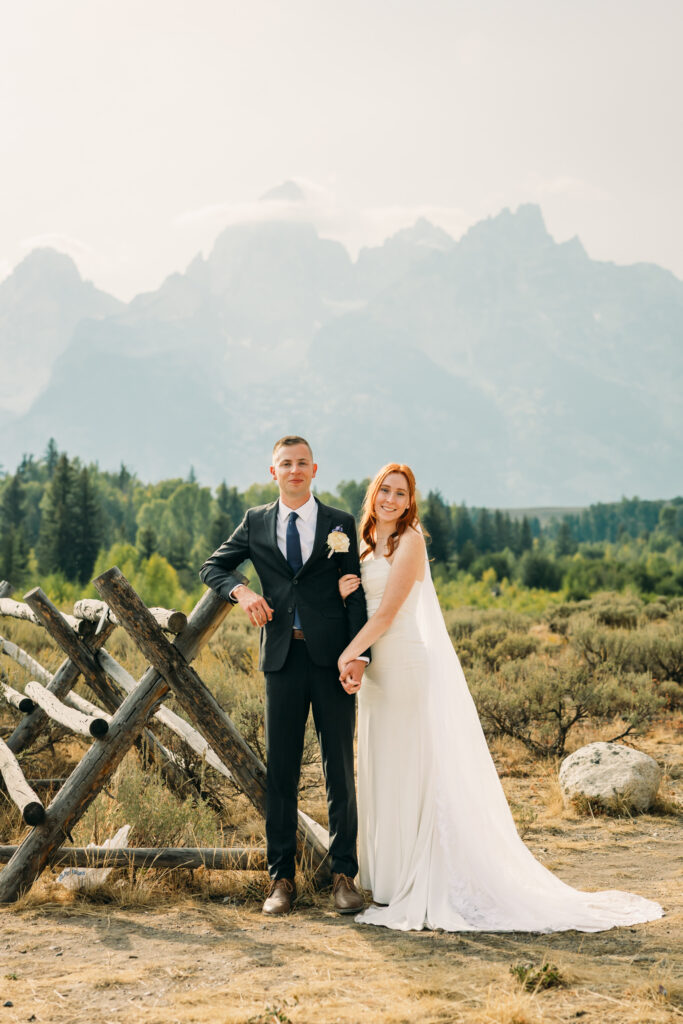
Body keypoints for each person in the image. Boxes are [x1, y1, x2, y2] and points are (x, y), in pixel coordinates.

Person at [336, 463, 663, 932]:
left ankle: (418, 874)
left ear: (410, 503)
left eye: (400, 493)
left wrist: (347, 653)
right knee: (383, 767)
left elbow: (386, 615)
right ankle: (386, 880)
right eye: (384, 490)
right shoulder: (365, 545)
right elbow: (359, 606)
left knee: (413, 768)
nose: (390, 499)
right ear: (373, 495)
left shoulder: (411, 542)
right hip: (376, 677)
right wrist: (346, 598)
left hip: (405, 665)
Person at [199, 436, 368, 916]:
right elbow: (213, 567)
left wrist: (358, 655)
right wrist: (242, 594)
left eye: (301, 463)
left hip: (334, 659)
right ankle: (281, 881)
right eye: (285, 464)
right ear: (273, 472)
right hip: (282, 660)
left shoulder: (340, 523)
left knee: (339, 768)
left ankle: (343, 877)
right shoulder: (255, 522)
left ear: (315, 469)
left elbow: (353, 593)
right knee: (282, 774)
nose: (294, 470)